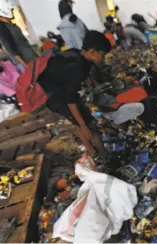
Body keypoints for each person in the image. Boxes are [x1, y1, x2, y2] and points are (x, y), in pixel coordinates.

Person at [37, 30, 111, 158]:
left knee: (80, 119)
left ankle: (92, 153)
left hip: (56, 90)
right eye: (103, 55)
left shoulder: (76, 53)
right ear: (93, 51)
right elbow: (70, 98)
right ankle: (104, 156)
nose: (103, 59)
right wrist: (83, 124)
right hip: (53, 95)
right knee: (87, 124)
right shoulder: (79, 66)